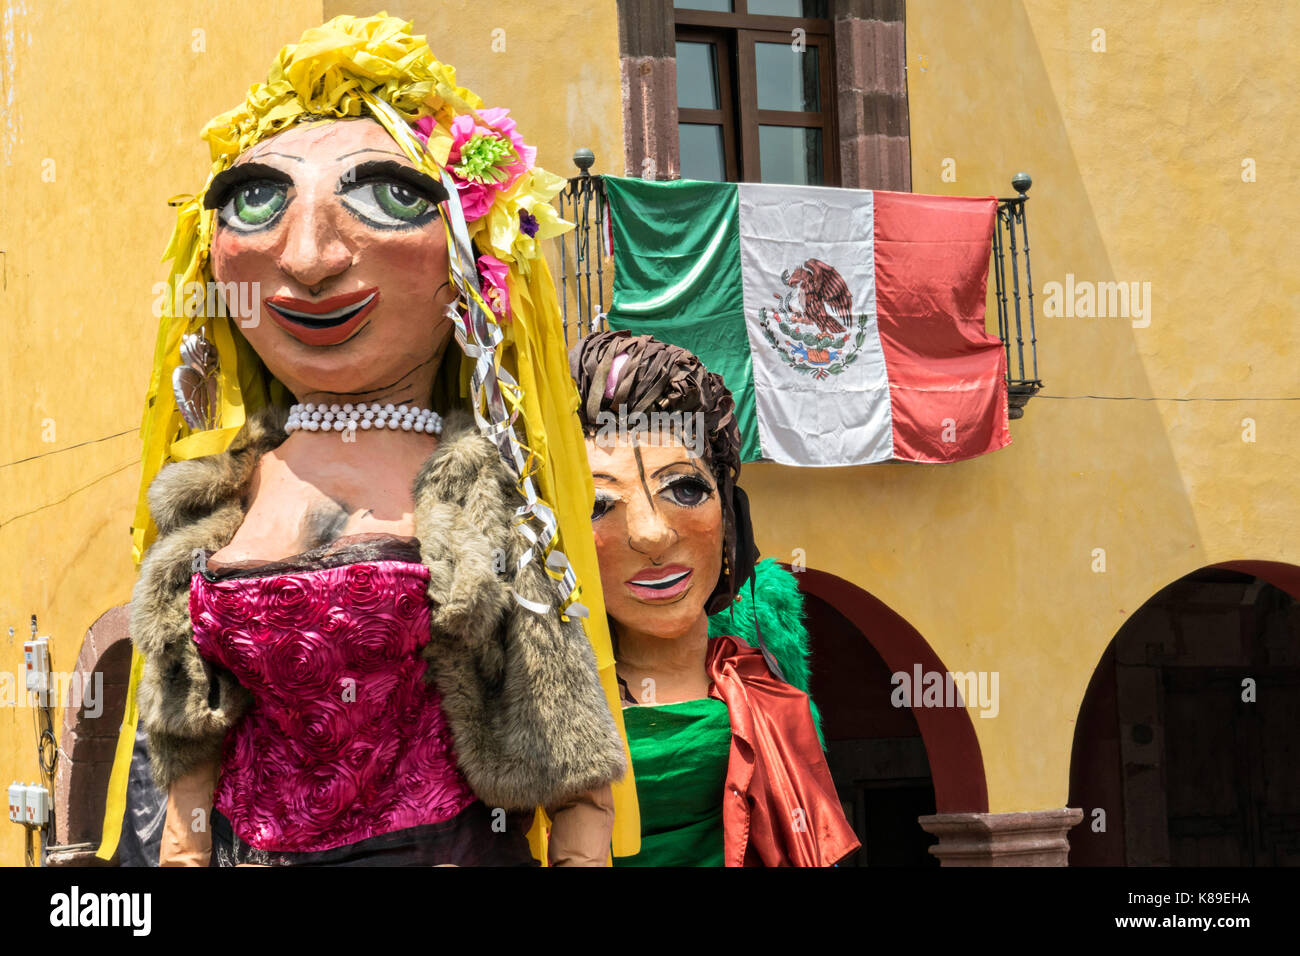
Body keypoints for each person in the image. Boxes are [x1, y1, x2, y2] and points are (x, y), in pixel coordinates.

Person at [123, 14, 628, 867]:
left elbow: (565, 740)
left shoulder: (477, 490)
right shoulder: (213, 500)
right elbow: (185, 738)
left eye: (388, 196)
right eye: (258, 199)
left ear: (474, 262)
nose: (312, 257)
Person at [570, 329, 860, 866]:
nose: (652, 535)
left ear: (732, 518)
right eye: (597, 505)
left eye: (685, 490)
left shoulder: (764, 672)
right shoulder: (527, 685)